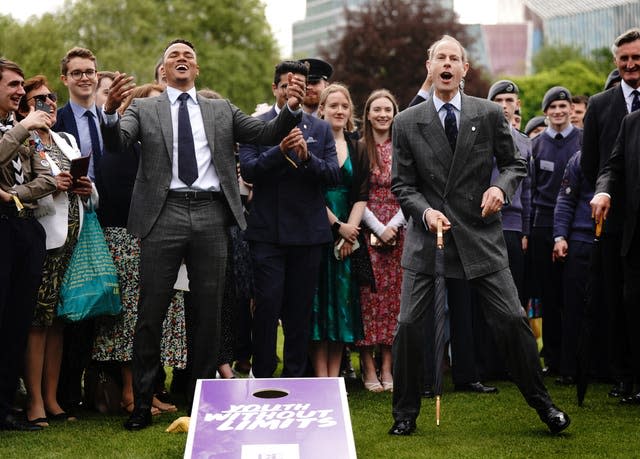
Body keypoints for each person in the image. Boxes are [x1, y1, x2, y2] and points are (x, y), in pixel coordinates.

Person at [102, 39, 305, 430]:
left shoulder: (220, 109)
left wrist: (292, 108)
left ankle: (201, 400)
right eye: (174, 56)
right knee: (151, 311)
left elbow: (265, 134)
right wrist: (110, 111)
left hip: (212, 212)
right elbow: (117, 143)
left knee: (209, 312)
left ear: (197, 70)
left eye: (189, 56)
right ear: (162, 71)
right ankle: (143, 402)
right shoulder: (144, 108)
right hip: (163, 214)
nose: (182, 60)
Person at [388, 35, 569, 436]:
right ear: (429, 67)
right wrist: (425, 211)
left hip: (481, 235)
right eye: (441, 58)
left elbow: (514, 163)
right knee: (409, 326)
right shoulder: (406, 121)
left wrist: (500, 189)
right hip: (428, 237)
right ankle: (404, 414)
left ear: (464, 69)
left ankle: (544, 406)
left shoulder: (488, 113)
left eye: (455, 58)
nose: (448, 64)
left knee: (511, 318)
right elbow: (402, 185)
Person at [238, 60, 339, 379]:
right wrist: (279, 151)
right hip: (267, 233)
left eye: (299, 85)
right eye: (286, 86)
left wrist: (308, 158)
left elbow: (333, 175)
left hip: (308, 234)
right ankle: (264, 371)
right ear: (275, 89)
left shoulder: (320, 129)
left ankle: (295, 374)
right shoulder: (256, 125)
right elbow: (250, 169)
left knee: (299, 311)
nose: (292, 91)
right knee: (267, 307)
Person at [91, 83, 182, 417]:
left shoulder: (154, 145)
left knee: (150, 320)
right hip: (128, 241)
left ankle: (147, 389)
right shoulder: (122, 147)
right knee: (131, 321)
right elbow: (117, 197)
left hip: (157, 239)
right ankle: (130, 394)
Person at [17, 75, 96, 427]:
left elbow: (92, 199)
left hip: (73, 244)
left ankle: (52, 397)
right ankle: (33, 399)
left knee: (58, 324)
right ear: (25, 108)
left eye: (50, 98)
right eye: (38, 100)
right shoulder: (21, 140)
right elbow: (20, 190)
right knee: (38, 323)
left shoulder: (65, 139)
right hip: (43, 240)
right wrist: (53, 186)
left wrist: (85, 186)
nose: (48, 104)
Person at [581, 28, 640, 401]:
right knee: (621, 302)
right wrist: (604, 193)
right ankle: (624, 375)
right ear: (616, 62)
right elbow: (597, 165)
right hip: (617, 223)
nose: (632, 65)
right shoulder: (603, 106)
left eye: (637, 58)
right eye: (625, 59)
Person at [0, 58, 57, 431]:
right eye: (13, 85)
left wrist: (13, 195)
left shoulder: (22, 127)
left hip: (26, 228)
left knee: (17, 323)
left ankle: (5, 407)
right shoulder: (22, 127)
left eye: (22, 85)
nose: (21, 92)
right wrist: (22, 127)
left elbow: (47, 177)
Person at [53, 47, 105, 413]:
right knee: (72, 306)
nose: (84, 78)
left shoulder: (112, 119)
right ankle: (66, 391)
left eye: (89, 71)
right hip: (69, 221)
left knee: (105, 306)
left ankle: (99, 389)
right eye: (77, 72)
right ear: (65, 79)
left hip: (113, 220)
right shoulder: (55, 122)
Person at [310, 83, 370, 377]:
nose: (339, 110)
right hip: (319, 231)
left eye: (344, 106)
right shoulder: (313, 145)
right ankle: (321, 377)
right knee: (319, 305)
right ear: (322, 109)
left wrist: (351, 232)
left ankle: (334, 377)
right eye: (333, 105)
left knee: (342, 303)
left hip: (349, 236)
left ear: (350, 112)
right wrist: (337, 227)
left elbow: (361, 194)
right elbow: (310, 193)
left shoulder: (358, 147)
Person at [529, 86, 582, 377]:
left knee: (573, 294)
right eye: (553, 107)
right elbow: (530, 190)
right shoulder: (536, 146)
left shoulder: (583, 141)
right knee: (549, 296)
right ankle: (552, 357)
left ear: (571, 109)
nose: (559, 112)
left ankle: (576, 359)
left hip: (576, 225)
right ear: (546, 111)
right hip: (543, 225)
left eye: (563, 106)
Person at [591, 109, 640, 405]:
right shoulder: (631, 122)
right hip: (634, 237)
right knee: (632, 304)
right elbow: (612, 167)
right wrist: (605, 192)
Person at [357, 89, 403, 392]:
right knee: (368, 299)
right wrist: (376, 228)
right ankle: (368, 365)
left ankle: (388, 366)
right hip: (366, 224)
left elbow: (411, 190)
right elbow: (357, 192)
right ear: (368, 114)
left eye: (388, 109)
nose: (383, 114)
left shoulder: (403, 148)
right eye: (377, 109)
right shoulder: (360, 148)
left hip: (400, 227)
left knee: (393, 301)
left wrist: (394, 227)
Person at [552, 150, 595, 383]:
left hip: (614, 239)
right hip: (579, 239)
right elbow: (566, 200)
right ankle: (570, 369)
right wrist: (560, 237)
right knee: (573, 307)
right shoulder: (579, 158)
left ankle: (609, 369)